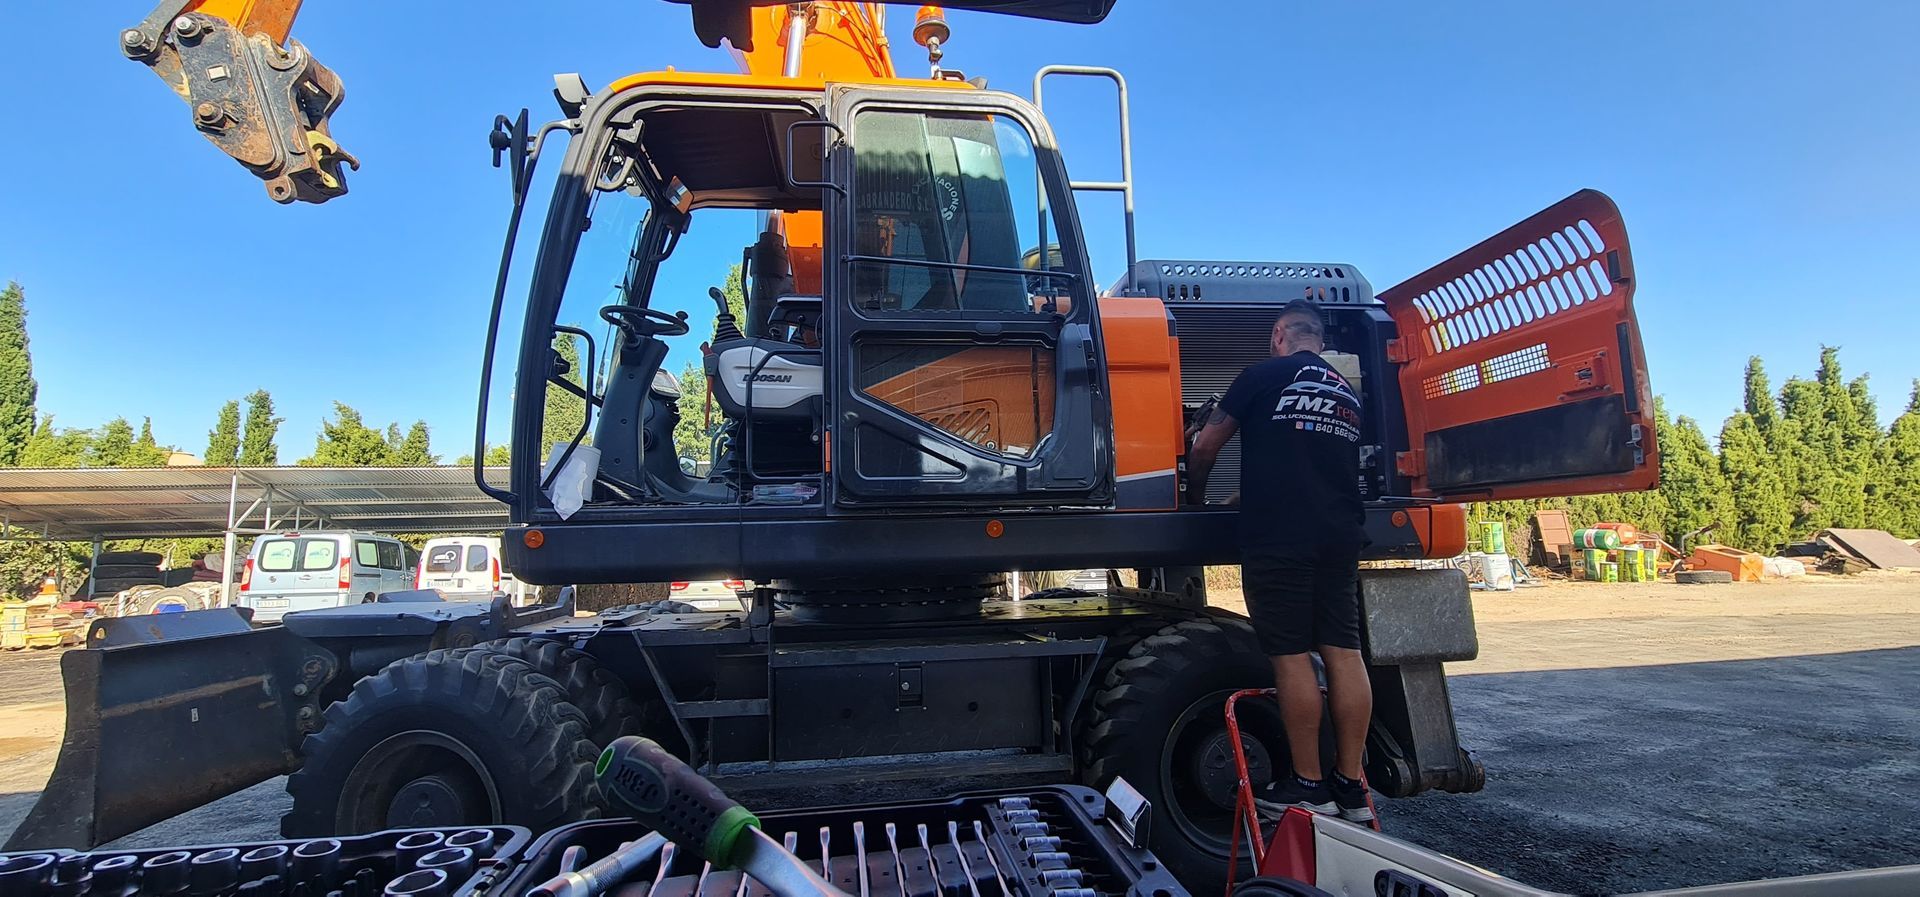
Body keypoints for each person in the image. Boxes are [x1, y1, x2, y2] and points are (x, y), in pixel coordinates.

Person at [1186, 297, 1374, 823]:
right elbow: (1307, 468)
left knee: (1291, 657)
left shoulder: (1261, 376)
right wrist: (1242, 499)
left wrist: (1196, 499)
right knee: (1343, 652)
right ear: (1319, 341)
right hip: (1339, 537)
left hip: (1280, 542)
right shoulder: (1346, 394)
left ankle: (1308, 784)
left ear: (1278, 337)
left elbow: (1206, 445)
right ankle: (1351, 785)